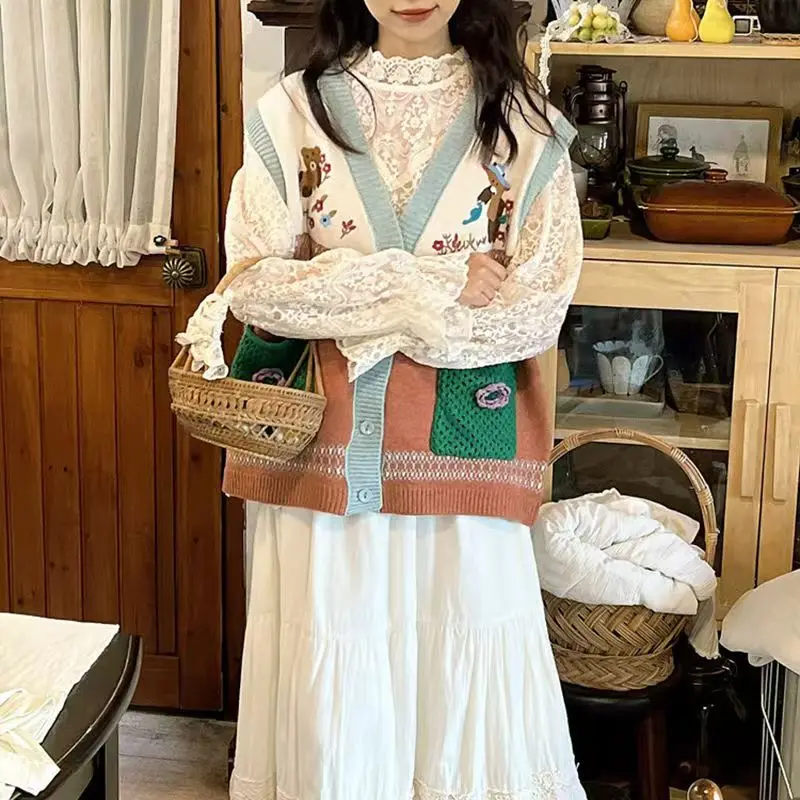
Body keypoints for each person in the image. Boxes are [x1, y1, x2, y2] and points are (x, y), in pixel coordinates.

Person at [180, 0, 585, 797]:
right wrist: (427, 284)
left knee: (462, 682)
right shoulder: (294, 112)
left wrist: (342, 293)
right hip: (325, 467)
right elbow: (255, 286)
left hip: (463, 464)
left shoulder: (524, 124)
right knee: (338, 681)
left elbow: (535, 311)